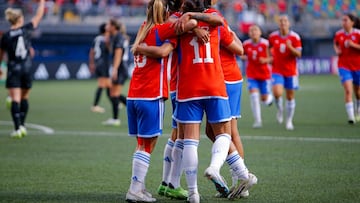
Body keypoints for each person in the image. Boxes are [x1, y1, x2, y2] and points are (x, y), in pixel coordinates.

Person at [125, 0, 198, 202]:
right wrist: (189, 22)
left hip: (133, 95)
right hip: (151, 94)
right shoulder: (163, 29)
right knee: (148, 145)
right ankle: (134, 190)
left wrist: (140, 48)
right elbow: (190, 24)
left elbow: (158, 48)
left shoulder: (143, 27)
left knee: (142, 144)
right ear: (165, 11)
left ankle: (138, 187)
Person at [203, 0, 257, 199]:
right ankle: (239, 176)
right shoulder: (204, 18)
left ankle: (240, 181)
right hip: (217, 78)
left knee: (231, 131)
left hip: (227, 79)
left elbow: (239, 49)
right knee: (211, 130)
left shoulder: (215, 19)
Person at [0, 0, 45, 138]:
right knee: (25, 97)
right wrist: (42, 2)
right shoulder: (26, 29)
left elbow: (1, 55)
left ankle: (17, 128)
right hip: (27, 67)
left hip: (14, 68)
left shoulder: (6, 36)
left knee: (15, 99)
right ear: (19, 19)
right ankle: (23, 125)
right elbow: (38, 16)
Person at [268, 14, 302, 130]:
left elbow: (299, 54)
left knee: (290, 96)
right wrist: (270, 58)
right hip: (277, 70)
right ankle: (280, 110)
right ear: (278, 23)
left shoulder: (295, 37)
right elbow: (269, 48)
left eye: (285, 21)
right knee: (277, 93)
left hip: (291, 71)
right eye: (281, 21)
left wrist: (290, 47)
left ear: (289, 23)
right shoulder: (273, 37)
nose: (283, 23)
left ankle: (289, 121)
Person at [242, 24, 273, 128]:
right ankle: (258, 120)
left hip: (264, 74)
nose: (253, 32)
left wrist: (265, 60)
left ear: (260, 32)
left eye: (255, 30)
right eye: (251, 31)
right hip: (252, 74)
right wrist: (243, 57)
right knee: (254, 96)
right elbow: (242, 54)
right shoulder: (246, 44)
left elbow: (272, 58)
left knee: (264, 99)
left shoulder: (265, 44)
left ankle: (269, 98)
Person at [333, 13, 360, 124]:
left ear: (352, 22)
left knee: (357, 91)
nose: (343, 22)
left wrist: (353, 45)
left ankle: (358, 103)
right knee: (348, 90)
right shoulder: (338, 34)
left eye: (346, 20)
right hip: (344, 66)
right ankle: (351, 117)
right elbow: (335, 43)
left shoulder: (358, 34)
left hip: (358, 66)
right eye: (342, 20)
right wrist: (337, 50)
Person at [102, 18, 129, 126]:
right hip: (120, 68)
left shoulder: (118, 37)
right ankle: (115, 118)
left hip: (121, 68)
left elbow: (118, 54)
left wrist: (115, 69)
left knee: (115, 94)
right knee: (113, 94)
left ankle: (118, 118)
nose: (106, 26)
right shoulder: (115, 36)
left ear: (113, 26)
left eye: (108, 24)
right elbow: (111, 51)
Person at [89, 23, 111, 114]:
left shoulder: (97, 39)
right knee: (102, 84)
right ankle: (95, 105)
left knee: (108, 84)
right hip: (103, 63)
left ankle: (115, 101)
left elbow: (92, 52)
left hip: (98, 62)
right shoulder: (105, 39)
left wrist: (92, 63)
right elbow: (109, 49)